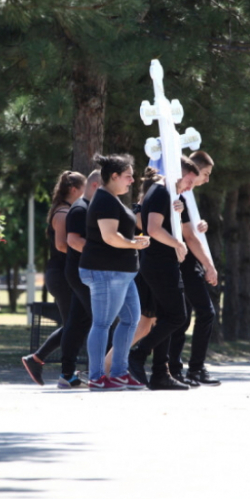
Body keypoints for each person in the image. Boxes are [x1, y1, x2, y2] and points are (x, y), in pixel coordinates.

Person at [128, 157, 200, 390]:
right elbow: (153, 229)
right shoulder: (160, 192)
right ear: (180, 172)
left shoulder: (168, 193)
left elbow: (164, 224)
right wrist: (178, 244)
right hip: (159, 262)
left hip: (161, 262)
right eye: (190, 179)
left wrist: (177, 212)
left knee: (165, 318)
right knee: (177, 317)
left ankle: (160, 372)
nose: (191, 186)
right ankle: (138, 355)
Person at [79, 154, 150, 391]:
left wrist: (133, 241)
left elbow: (117, 234)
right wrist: (134, 245)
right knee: (102, 324)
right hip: (106, 272)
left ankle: (119, 373)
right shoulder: (105, 201)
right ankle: (97, 377)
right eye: (128, 176)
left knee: (131, 320)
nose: (131, 181)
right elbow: (109, 237)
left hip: (120, 273)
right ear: (114, 176)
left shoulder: (112, 199)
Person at [21, 170, 86, 385]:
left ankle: (40, 359)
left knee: (73, 323)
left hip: (62, 273)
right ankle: (55, 367)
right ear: (74, 190)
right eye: (84, 188)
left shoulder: (66, 210)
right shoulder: (63, 213)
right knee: (74, 324)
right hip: (60, 273)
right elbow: (61, 245)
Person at [169, 151, 222, 386]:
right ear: (192, 171)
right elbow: (188, 236)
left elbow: (190, 229)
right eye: (205, 174)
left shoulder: (187, 196)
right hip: (187, 264)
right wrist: (210, 266)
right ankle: (193, 369)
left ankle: (178, 369)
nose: (207, 180)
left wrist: (200, 225)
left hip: (191, 262)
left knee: (185, 317)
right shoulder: (179, 194)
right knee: (203, 313)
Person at [55, 170, 102, 388]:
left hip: (81, 271)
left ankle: (67, 373)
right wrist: (106, 255)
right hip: (81, 272)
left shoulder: (87, 207)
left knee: (77, 322)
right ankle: (100, 372)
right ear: (95, 186)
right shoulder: (80, 209)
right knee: (101, 320)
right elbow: (72, 241)